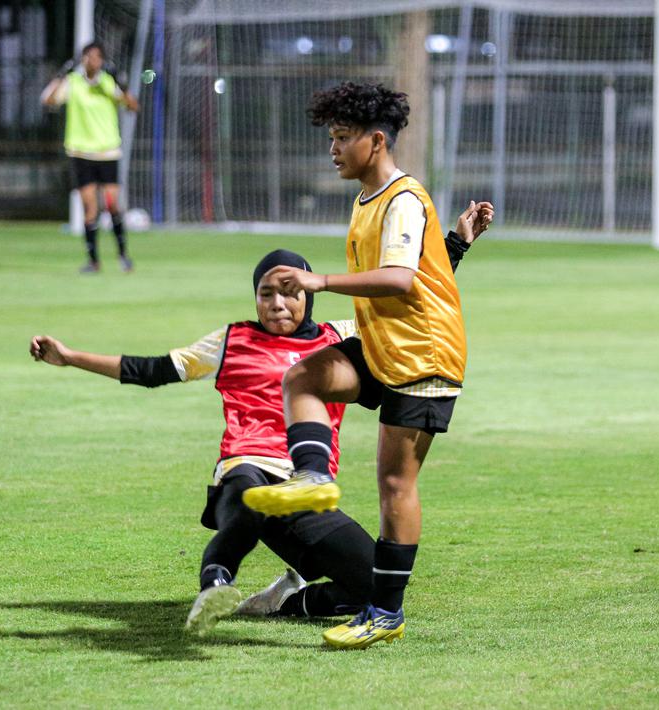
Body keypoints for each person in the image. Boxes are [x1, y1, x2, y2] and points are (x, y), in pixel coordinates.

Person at [28, 206, 490, 636]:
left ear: (308, 292)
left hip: (305, 487)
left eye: (289, 292)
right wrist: (70, 358)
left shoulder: (340, 339)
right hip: (246, 466)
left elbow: (405, 295)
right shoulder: (232, 340)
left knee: (377, 587)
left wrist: (457, 243)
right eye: (266, 294)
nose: (278, 304)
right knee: (248, 496)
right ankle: (215, 584)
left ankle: (285, 600)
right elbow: (150, 371)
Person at [243, 81, 469, 649]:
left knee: (396, 483)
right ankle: (314, 475)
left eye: (342, 138)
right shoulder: (370, 198)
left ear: (376, 140)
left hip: (424, 356)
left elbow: (399, 279)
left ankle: (385, 614)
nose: (333, 148)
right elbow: (426, 275)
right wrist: (457, 246)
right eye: (331, 138)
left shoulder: (402, 197)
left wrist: (319, 281)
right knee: (305, 376)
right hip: (387, 343)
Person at [41, 41, 140, 274]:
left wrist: (123, 86)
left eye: (95, 57)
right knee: (90, 208)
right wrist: (60, 75)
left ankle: (123, 255)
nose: (91, 61)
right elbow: (47, 100)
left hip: (107, 151)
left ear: (102, 61)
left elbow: (133, 106)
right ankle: (93, 261)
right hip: (81, 152)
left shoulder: (108, 83)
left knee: (113, 204)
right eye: (87, 57)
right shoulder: (73, 83)